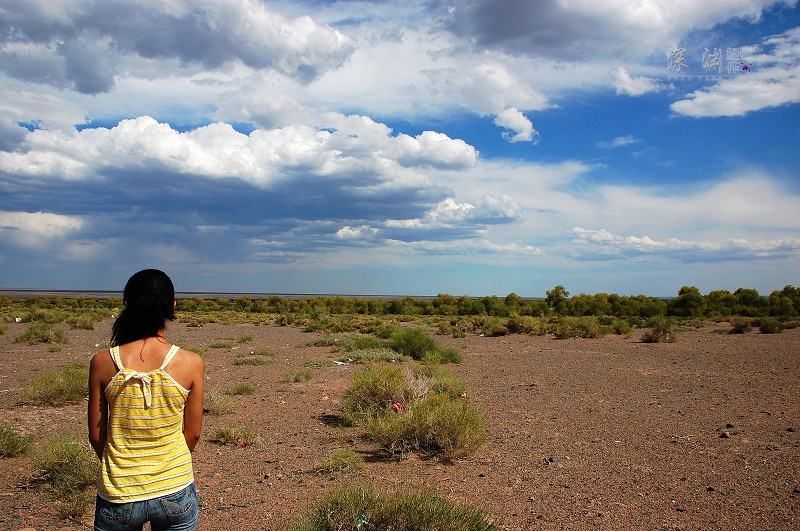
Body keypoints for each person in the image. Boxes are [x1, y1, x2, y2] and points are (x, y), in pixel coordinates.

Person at [88, 269, 205, 531]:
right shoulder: (191, 363)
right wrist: (166, 463)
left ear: (126, 305)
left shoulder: (103, 362)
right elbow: (193, 434)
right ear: (173, 306)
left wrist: (123, 468)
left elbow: (97, 437)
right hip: (175, 488)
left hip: (119, 492)